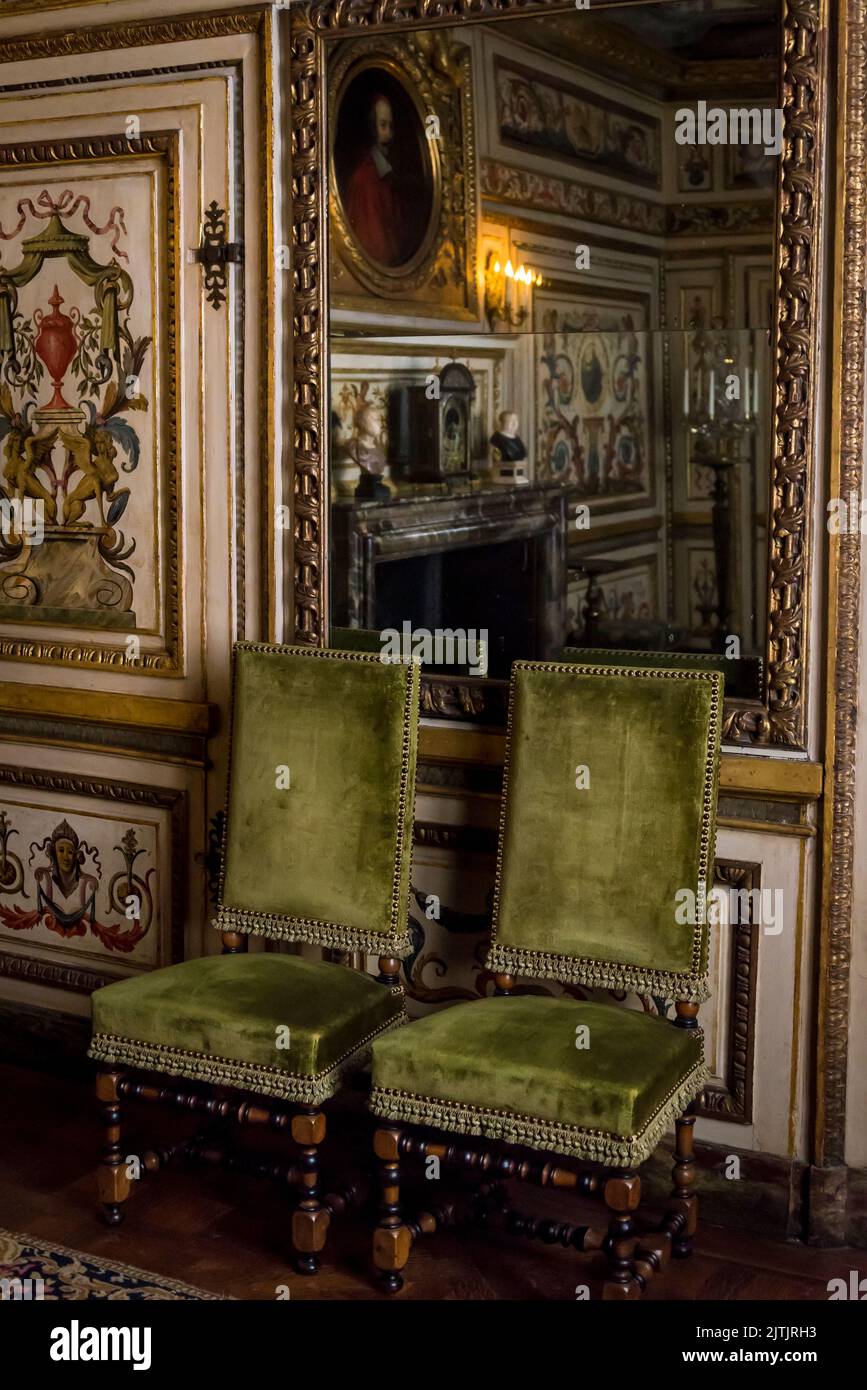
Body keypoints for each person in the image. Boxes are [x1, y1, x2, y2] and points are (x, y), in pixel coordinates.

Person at [344, 93, 404, 266]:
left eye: (391, 127)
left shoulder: (385, 174)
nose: (388, 135)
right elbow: (377, 247)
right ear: (372, 128)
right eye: (383, 126)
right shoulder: (365, 179)